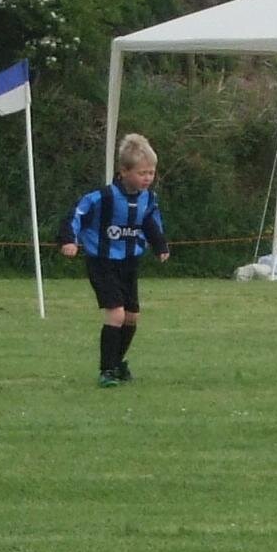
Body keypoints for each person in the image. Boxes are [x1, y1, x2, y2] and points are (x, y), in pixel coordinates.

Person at [58, 134, 169, 386]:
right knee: (116, 314)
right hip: (102, 262)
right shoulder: (102, 198)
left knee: (131, 317)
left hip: (129, 263)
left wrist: (160, 245)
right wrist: (68, 240)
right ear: (123, 171)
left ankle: (117, 363)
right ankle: (106, 371)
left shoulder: (148, 199)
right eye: (142, 173)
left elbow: (150, 222)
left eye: (151, 173)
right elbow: (75, 215)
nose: (148, 178)